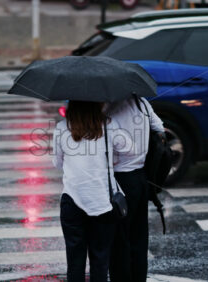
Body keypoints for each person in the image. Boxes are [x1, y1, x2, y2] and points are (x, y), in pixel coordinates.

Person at [52, 100, 133, 282]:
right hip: (102, 201)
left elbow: (57, 163)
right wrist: (112, 158)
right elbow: (130, 149)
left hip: (72, 200)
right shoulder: (109, 125)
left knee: (74, 261)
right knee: (100, 260)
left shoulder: (61, 127)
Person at [106, 97, 165, 282]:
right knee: (139, 236)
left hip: (120, 179)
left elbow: (111, 150)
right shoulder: (142, 103)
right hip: (141, 178)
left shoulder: (109, 109)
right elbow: (159, 128)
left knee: (119, 237)